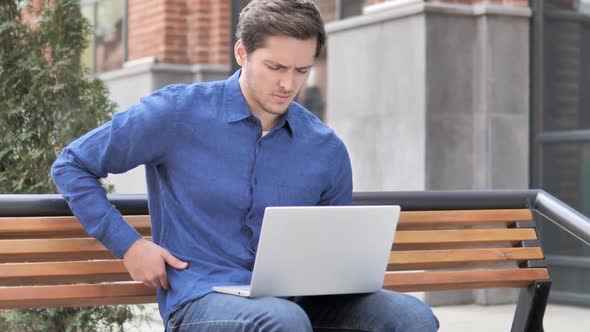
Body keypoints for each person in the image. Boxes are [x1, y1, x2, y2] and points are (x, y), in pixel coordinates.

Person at [51, 0, 439, 331]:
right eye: (275, 67)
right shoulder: (177, 113)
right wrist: (129, 245)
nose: (288, 83)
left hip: (300, 303)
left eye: (301, 71)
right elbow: (72, 164)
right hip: (202, 297)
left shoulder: (324, 147)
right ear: (241, 53)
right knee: (283, 321)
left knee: (412, 317)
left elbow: (331, 250)